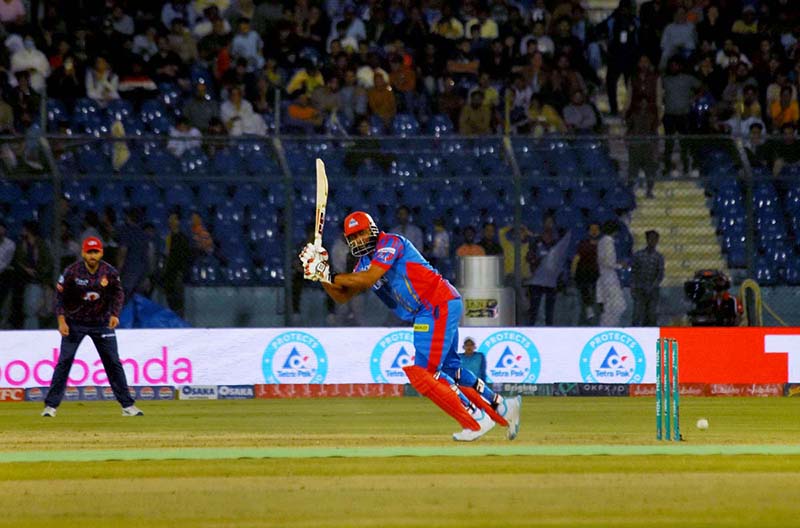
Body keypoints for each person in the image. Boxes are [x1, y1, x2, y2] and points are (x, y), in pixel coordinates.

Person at [299, 211, 521, 442]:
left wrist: (328, 273)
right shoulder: (364, 263)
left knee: (426, 373)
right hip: (433, 308)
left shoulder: (391, 243)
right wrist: (319, 275)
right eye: (352, 238)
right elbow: (343, 296)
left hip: (435, 304)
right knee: (450, 371)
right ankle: (503, 406)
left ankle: (475, 416)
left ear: (373, 230)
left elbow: (366, 279)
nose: (358, 241)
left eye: (361, 233)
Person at [41, 237, 143, 417]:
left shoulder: (109, 272)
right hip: (75, 323)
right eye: (89, 252)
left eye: (96, 252)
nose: (92, 256)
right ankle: (50, 406)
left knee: (113, 362)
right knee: (64, 361)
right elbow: (59, 296)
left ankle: (127, 406)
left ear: (101, 253)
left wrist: (114, 314)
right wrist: (61, 321)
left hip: (102, 323)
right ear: (83, 253)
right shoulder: (72, 272)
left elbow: (118, 293)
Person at [630, 230, 664, 326]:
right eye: (650, 239)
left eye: (655, 239)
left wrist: (653, 285)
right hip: (639, 288)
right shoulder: (638, 255)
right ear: (647, 240)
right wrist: (634, 286)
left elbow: (660, 274)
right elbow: (634, 272)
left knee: (651, 314)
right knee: (637, 313)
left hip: (653, 289)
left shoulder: (659, 257)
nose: (652, 241)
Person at [596, 220, 626, 326]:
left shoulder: (601, 241)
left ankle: (606, 325)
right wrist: (621, 265)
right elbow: (609, 262)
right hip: (609, 276)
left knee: (610, 304)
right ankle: (608, 325)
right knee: (617, 305)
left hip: (604, 276)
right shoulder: (608, 241)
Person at [571, 223, 600, 325]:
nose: (594, 231)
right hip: (583, 276)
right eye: (592, 229)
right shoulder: (583, 244)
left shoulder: (602, 245)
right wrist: (572, 274)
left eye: (596, 229)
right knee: (583, 303)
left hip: (597, 277)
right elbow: (576, 259)